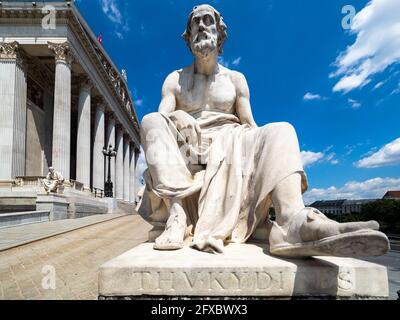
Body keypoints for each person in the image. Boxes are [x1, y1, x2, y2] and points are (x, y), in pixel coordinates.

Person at [140, 4, 389, 256]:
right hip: (187, 144)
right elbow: (162, 116)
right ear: (188, 34)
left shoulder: (236, 79)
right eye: (195, 22)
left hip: (231, 140)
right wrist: (177, 115)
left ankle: (292, 222)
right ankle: (178, 214)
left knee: (282, 129)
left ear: (220, 33)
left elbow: (249, 123)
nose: (201, 26)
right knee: (150, 121)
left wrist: (263, 151)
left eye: (208, 20)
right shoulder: (175, 79)